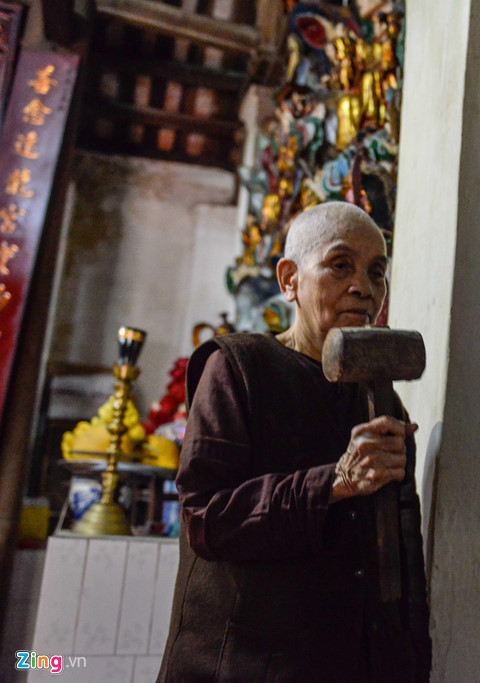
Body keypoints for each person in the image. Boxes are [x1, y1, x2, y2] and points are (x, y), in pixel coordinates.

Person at [158, 202, 430, 682]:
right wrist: (334, 483)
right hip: (238, 666)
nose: (363, 288)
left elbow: (402, 562)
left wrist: (409, 662)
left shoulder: (379, 402)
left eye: (377, 272)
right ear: (289, 280)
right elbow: (205, 519)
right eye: (340, 265)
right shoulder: (239, 369)